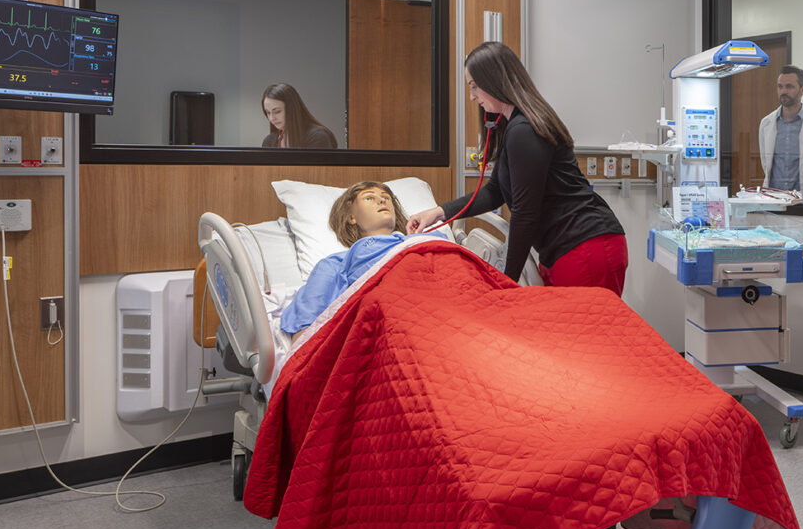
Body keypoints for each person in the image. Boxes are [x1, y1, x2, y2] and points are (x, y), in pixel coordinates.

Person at [404, 41, 627, 294]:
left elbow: (525, 213)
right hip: (566, 247)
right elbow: (495, 192)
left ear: (495, 80)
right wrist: (438, 212)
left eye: (475, 86)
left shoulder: (525, 130)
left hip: (585, 246)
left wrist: (507, 283)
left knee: (586, 333)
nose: (472, 97)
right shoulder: (515, 126)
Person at [278, 181, 407, 334]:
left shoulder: (428, 239)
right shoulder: (337, 264)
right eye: (369, 198)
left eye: (386, 198)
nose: (381, 200)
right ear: (351, 217)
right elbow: (305, 327)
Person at [757, 64, 803, 196]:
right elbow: (765, 164)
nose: (783, 91)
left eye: (789, 87)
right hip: (772, 199)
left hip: (802, 200)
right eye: (780, 86)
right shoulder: (766, 124)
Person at [260, 82, 338, 149]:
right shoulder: (269, 141)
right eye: (268, 113)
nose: (271, 118)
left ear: (292, 109)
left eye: (277, 111)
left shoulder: (317, 137)